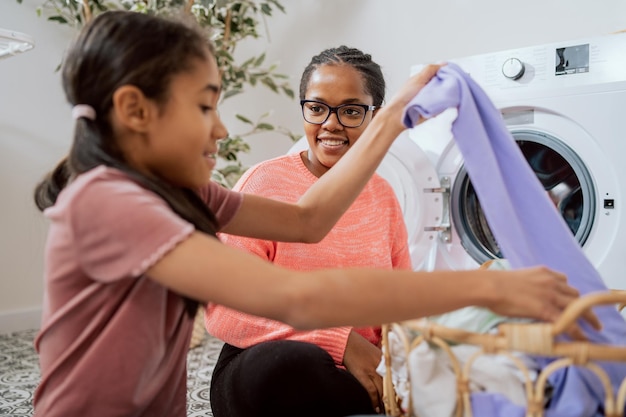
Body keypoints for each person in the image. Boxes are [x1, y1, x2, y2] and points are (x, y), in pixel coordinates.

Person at [31, 10, 594, 417]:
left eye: (353, 112)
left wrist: (393, 114)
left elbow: (306, 220)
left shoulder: (184, 195)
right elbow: (291, 298)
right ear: (135, 110)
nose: (222, 128)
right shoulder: (110, 203)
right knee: (290, 371)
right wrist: (487, 292)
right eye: (205, 106)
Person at [205, 46, 411, 417]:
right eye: (317, 108)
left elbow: (403, 302)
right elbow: (224, 311)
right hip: (267, 360)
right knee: (290, 367)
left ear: (375, 118)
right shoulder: (263, 182)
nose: (330, 124)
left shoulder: (383, 195)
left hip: (353, 373)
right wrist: (339, 341)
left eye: (350, 111)